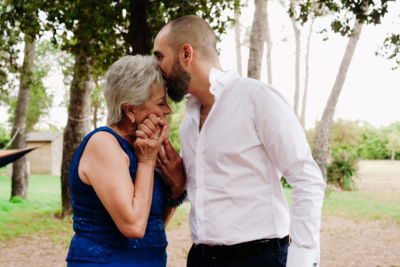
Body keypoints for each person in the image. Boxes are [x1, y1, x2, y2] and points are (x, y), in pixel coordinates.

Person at [151, 15, 327, 267]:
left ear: (186, 54)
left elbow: (306, 178)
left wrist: (301, 260)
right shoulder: (189, 120)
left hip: (258, 259)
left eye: (160, 57)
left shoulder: (257, 99)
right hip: (201, 258)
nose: (158, 68)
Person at [65, 55, 186, 266]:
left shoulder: (142, 146)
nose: (168, 110)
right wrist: (147, 161)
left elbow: (153, 226)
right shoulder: (103, 144)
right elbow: (134, 227)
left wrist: (176, 192)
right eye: (160, 102)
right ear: (130, 110)